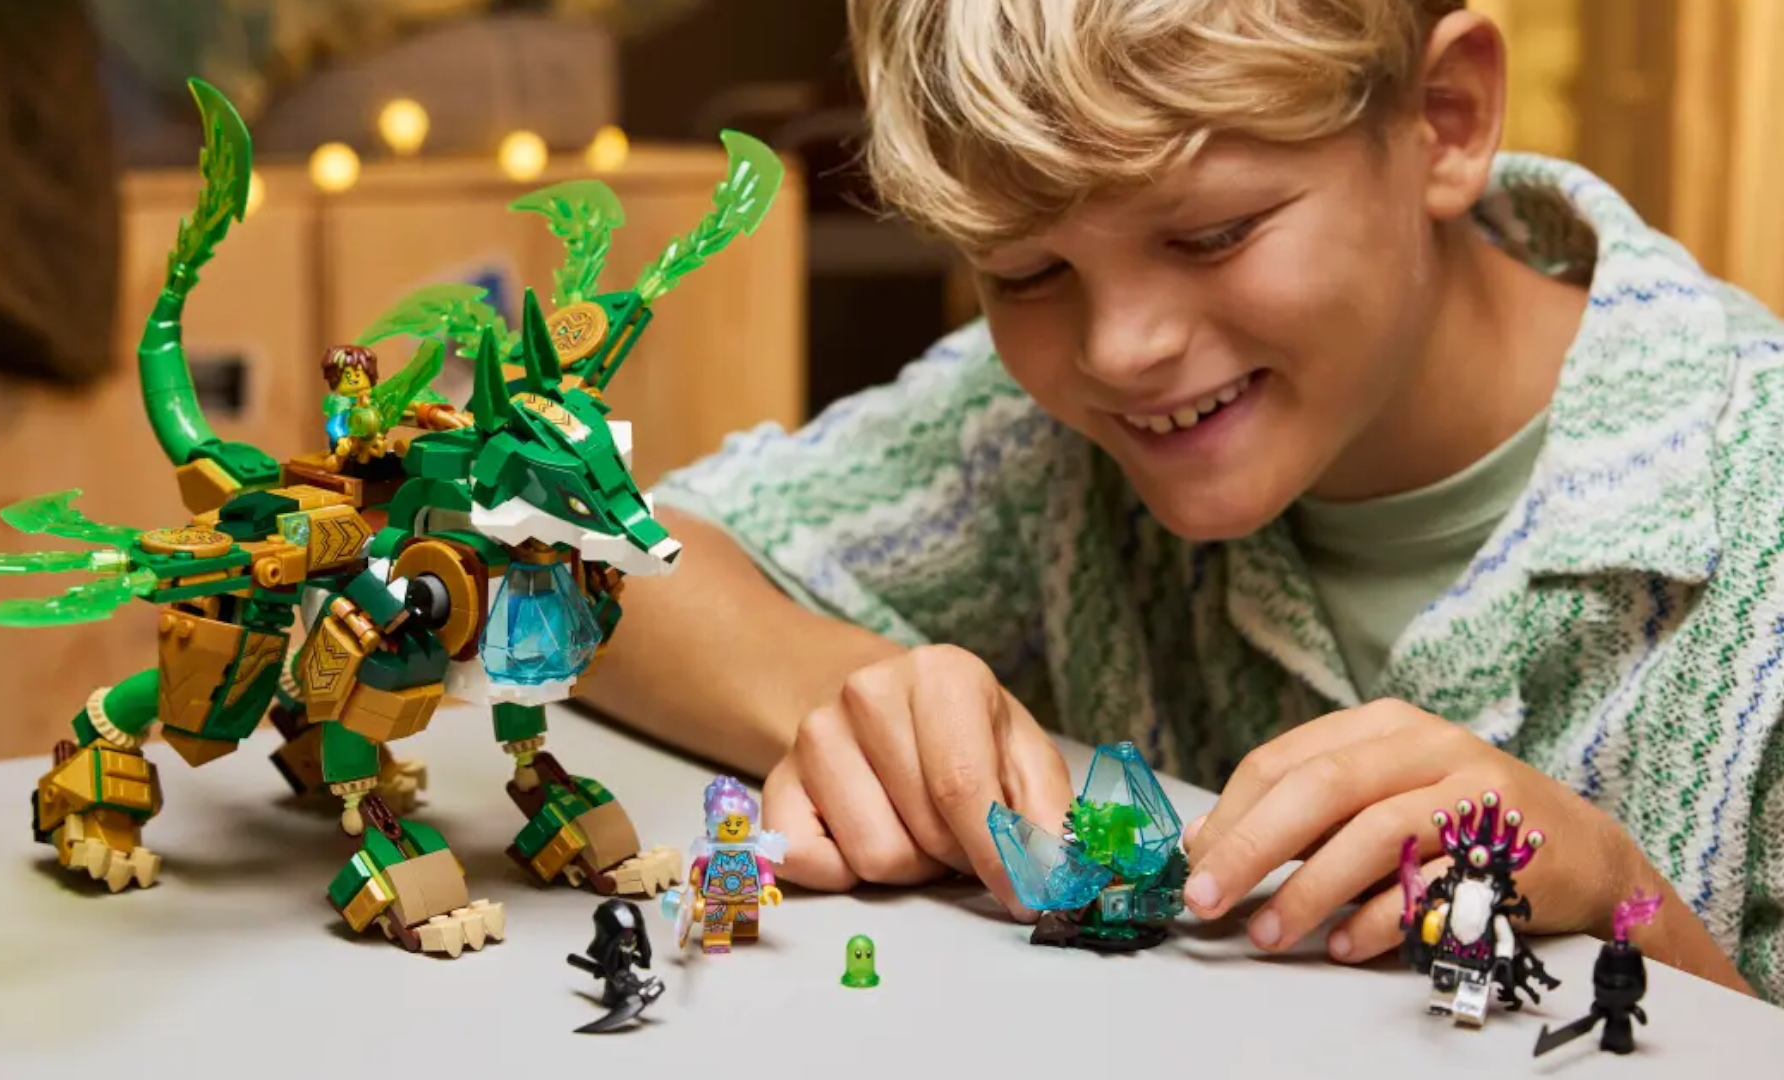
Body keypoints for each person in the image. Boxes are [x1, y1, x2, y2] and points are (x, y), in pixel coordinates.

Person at [580, 0, 1783, 1003]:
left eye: (1212, 234)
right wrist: (876, 715)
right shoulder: (1028, 436)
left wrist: (1629, 904)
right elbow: (591, 557)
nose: (1123, 349)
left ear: (1444, 120)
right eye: (1027, 271)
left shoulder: (1756, 510)